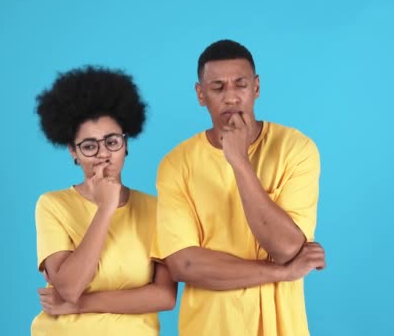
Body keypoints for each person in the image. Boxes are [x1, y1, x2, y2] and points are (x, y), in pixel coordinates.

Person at [150, 39, 326, 336]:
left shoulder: (297, 149)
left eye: (240, 85)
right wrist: (282, 273)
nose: (230, 97)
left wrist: (239, 162)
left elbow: (286, 248)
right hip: (208, 327)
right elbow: (186, 264)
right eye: (217, 87)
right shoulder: (176, 164)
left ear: (256, 88)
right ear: (200, 94)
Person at [31, 66, 177, 336]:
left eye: (112, 142)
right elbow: (70, 287)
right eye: (89, 146)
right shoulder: (52, 205)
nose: (103, 154)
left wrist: (80, 306)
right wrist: (106, 208)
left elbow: (164, 297)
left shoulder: (156, 209)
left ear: (126, 144)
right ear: (74, 152)